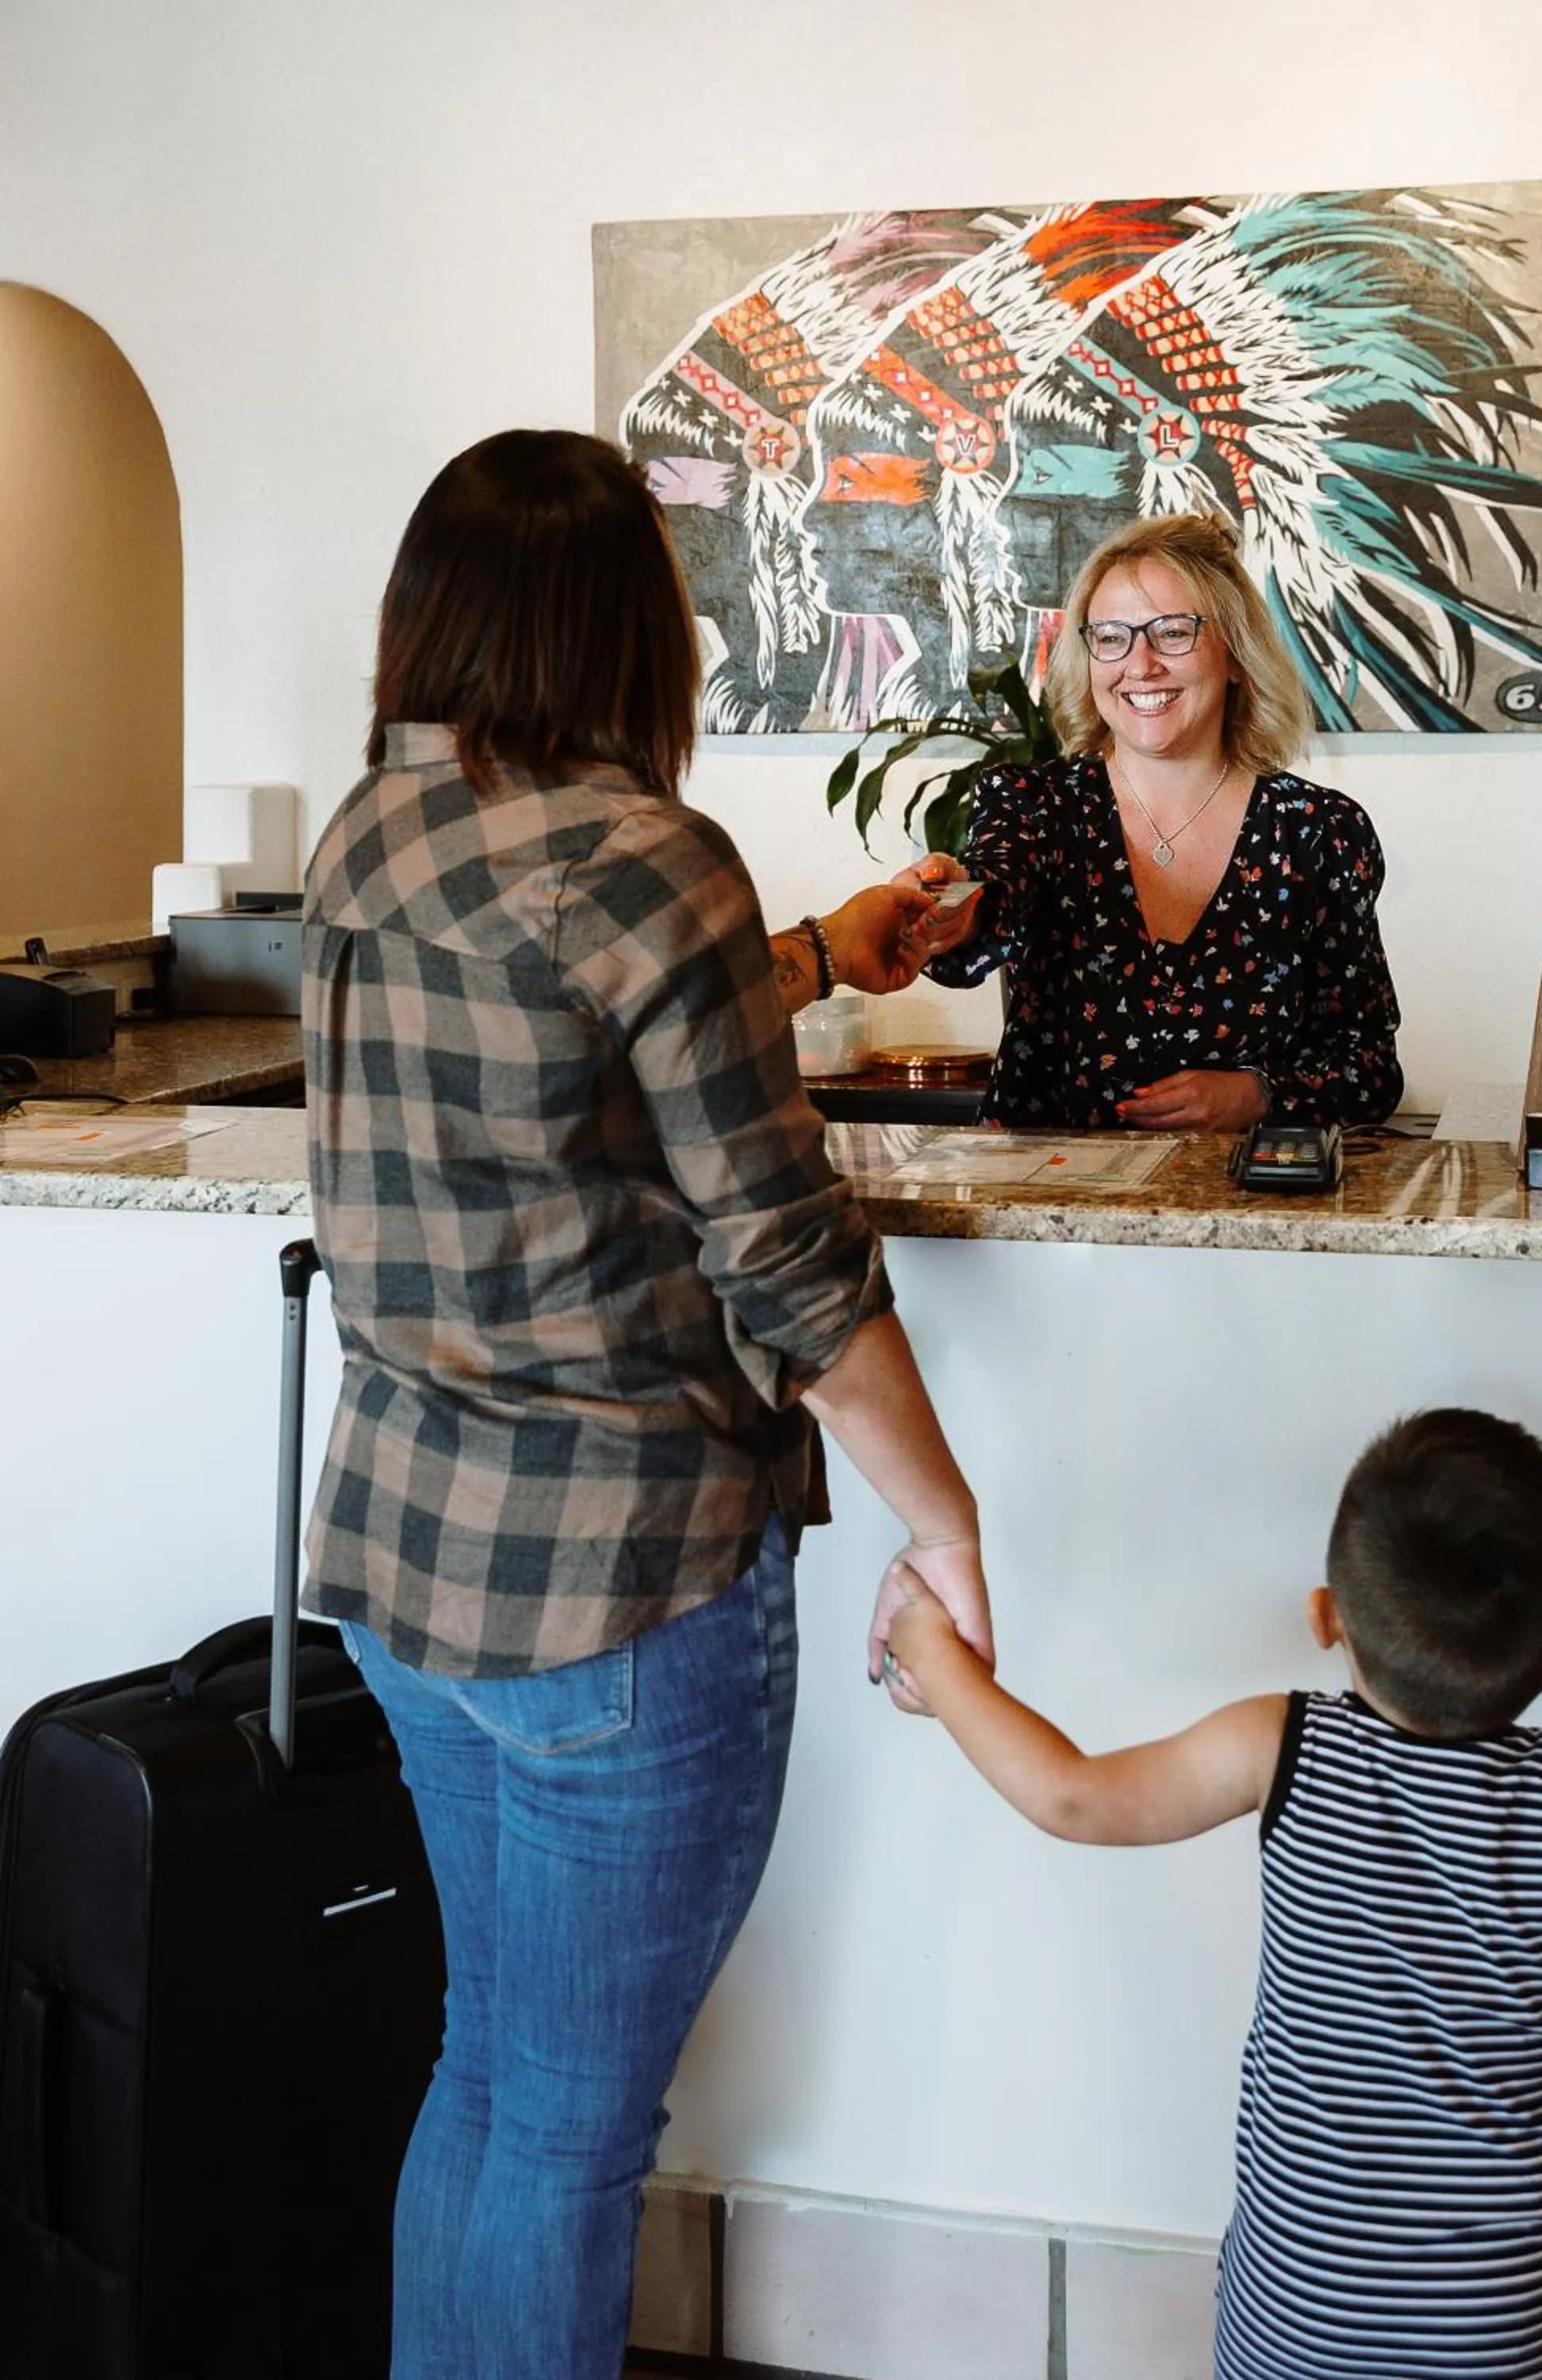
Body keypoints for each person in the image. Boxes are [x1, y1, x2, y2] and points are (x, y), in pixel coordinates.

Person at [300, 428, 992, 2380]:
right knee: (578, 2134)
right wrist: (941, 1519)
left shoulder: (372, 831)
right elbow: (788, 1265)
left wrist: (807, 959)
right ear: (633, 631)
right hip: (619, 1587)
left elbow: (556, 1043)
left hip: (410, 1567)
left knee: (491, 2077)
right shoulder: (644, 855)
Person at [882, 1409, 1542, 2379]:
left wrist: (936, 1654)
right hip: (1495, 2325)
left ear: (1326, 1616)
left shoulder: (1281, 1747)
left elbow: (1073, 1797)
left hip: (1298, 2306)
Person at [907, 509, 1404, 1131]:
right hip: (1051, 1204)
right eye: (1111, 636)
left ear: (1234, 654)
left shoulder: (1318, 831)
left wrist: (1257, 1095)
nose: (1140, 666)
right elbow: (989, 907)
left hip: (1242, 1204)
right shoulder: (1034, 805)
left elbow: (1369, 1065)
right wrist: (949, 914)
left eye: (1172, 633)